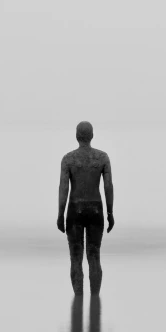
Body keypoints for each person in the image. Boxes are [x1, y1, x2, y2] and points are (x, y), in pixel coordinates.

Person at [57, 121, 114, 297]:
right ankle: (95, 301)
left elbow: (64, 188)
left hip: (74, 209)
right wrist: (110, 212)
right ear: (92, 136)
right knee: (94, 256)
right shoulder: (102, 158)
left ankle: (79, 301)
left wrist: (60, 213)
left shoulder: (68, 159)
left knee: (76, 258)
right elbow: (108, 187)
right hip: (96, 209)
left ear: (76, 136)